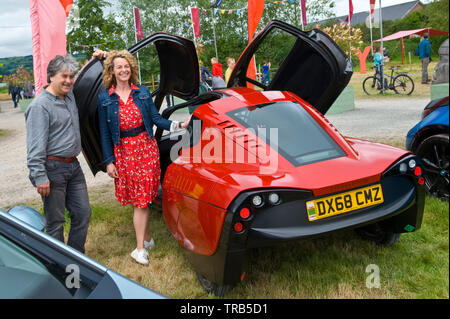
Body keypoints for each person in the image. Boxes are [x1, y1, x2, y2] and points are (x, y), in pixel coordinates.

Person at [93, 49, 191, 265]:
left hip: (146, 149)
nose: (123, 69)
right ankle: (145, 239)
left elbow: (156, 118)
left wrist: (179, 124)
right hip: (124, 152)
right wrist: (109, 161)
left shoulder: (143, 92)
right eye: (119, 66)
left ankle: (139, 249)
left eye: (126, 65)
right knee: (140, 199)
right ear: (112, 71)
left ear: (131, 69)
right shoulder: (105, 98)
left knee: (143, 198)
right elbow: (104, 132)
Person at [25, 55, 92, 254]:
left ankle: (76, 256)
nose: (69, 80)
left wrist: (96, 58)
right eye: (64, 76)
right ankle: (57, 263)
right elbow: (34, 146)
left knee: (83, 213)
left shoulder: (69, 95)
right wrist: (39, 176)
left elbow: (84, 77)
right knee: (55, 221)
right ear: (51, 76)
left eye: (71, 76)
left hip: (73, 166)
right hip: (52, 169)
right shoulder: (40, 106)